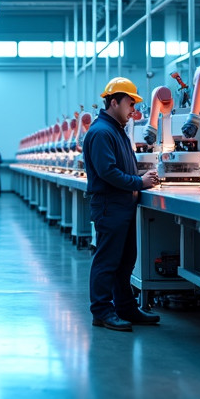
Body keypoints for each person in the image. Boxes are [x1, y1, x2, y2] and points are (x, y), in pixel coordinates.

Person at [82, 77, 162, 332]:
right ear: (114, 102)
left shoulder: (116, 130)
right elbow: (108, 172)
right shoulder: (101, 132)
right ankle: (102, 311)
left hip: (123, 205)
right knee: (107, 261)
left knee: (126, 260)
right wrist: (139, 182)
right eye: (129, 103)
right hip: (110, 205)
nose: (133, 110)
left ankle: (126, 307)